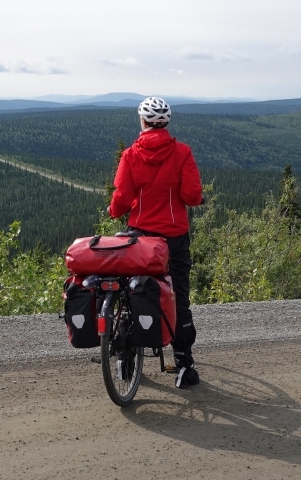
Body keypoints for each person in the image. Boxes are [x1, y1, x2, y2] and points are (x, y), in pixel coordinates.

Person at [108, 96, 203, 388]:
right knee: (178, 298)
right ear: (167, 122)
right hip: (173, 238)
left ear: (142, 121)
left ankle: (125, 358)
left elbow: (122, 199)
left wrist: (114, 211)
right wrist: (198, 198)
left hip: (140, 237)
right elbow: (191, 195)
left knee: (131, 290)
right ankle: (184, 365)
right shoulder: (182, 153)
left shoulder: (130, 155)